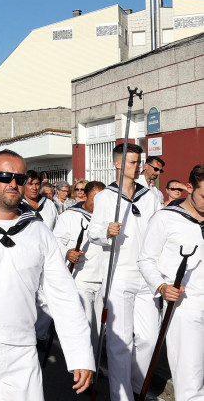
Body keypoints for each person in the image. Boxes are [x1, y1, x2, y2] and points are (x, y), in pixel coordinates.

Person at [0, 149, 94, 400]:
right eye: (3, 176)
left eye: (19, 178)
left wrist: (80, 354)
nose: (12, 183)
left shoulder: (39, 232)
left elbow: (63, 295)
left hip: (22, 348)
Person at [87, 143, 161, 401]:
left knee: (150, 339)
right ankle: (122, 397)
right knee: (120, 344)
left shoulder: (150, 195)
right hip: (118, 276)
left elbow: (159, 231)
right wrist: (106, 231)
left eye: (139, 162)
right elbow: (93, 232)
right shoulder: (105, 197)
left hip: (147, 277)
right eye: (132, 162)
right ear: (118, 164)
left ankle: (136, 385)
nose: (138, 166)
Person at [138, 164, 204, 401]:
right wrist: (162, 287)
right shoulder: (165, 219)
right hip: (185, 308)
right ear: (189, 188)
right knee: (190, 382)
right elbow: (146, 260)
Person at [52, 181, 107, 351]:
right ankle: (82, 364)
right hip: (81, 278)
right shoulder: (69, 216)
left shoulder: (110, 217)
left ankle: (95, 366)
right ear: (85, 196)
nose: (98, 205)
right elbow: (55, 242)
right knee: (85, 323)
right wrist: (67, 252)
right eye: (94, 199)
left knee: (100, 328)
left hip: (104, 278)